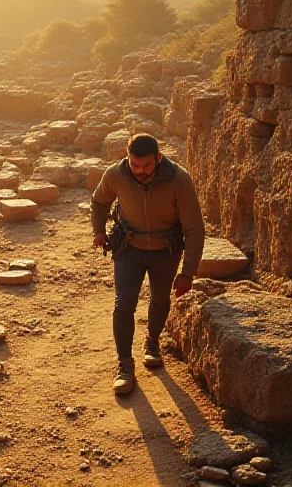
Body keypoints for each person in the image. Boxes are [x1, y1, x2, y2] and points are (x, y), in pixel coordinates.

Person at [91, 133, 205, 395]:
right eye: (135, 165)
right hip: (128, 248)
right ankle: (124, 364)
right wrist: (98, 230)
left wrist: (188, 272)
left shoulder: (179, 180)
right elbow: (99, 202)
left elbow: (194, 229)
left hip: (165, 251)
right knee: (123, 304)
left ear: (159, 158)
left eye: (146, 166)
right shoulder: (116, 174)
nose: (140, 172)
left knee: (161, 299)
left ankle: (152, 342)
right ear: (127, 159)